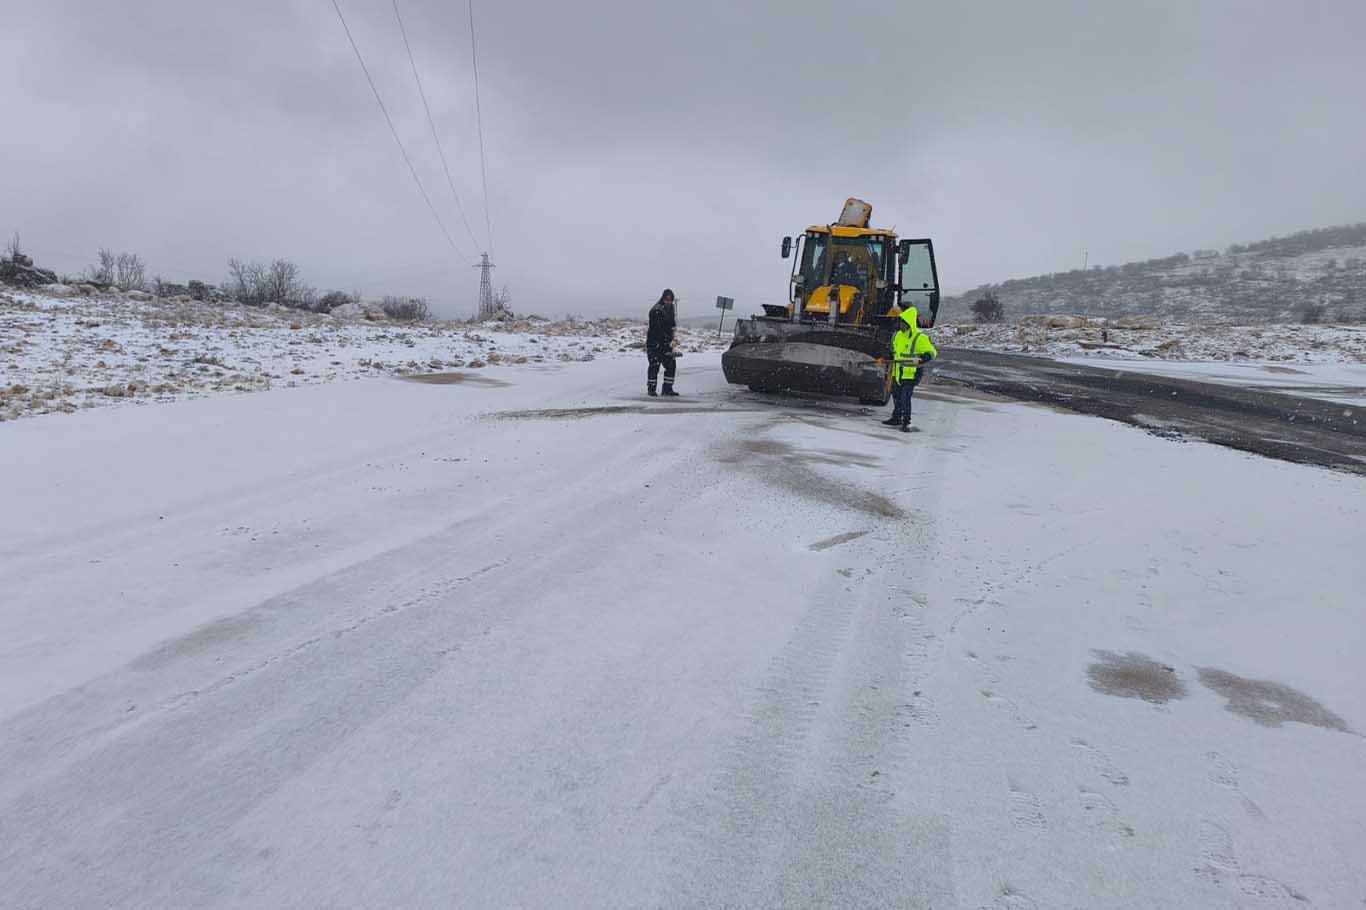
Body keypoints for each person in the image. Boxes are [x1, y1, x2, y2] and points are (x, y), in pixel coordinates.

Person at [883, 306, 937, 431]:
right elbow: (894, 351)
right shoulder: (898, 336)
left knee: (905, 398)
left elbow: (932, 352)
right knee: (896, 396)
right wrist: (886, 357)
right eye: (900, 323)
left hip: (912, 373)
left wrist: (924, 357)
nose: (900, 325)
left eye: (903, 323)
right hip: (898, 372)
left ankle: (906, 422)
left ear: (909, 323)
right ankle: (896, 417)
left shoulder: (919, 337)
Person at [646, 288, 679, 397]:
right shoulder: (656, 311)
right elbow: (657, 330)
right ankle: (651, 389)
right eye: (667, 300)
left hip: (667, 343)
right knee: (654, 365)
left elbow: (672, 325)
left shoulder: (671, 308)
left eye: (671, 300)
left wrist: (674, 337)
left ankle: (667, 389)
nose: (669, 302)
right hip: (654, 343)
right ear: (663, 298)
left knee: (671, 365)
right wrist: (666, 341)